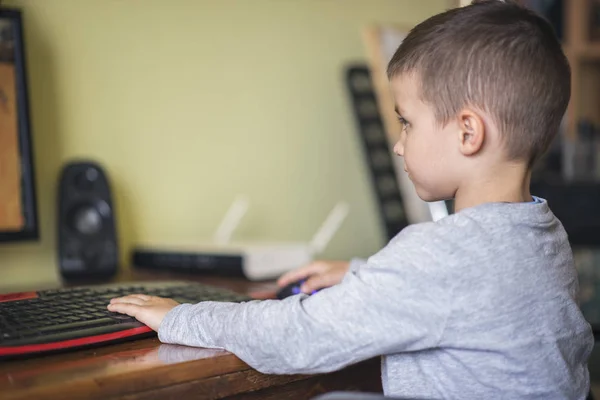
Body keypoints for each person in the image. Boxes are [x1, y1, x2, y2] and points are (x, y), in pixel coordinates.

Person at [107, 1, 594, 398]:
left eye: (407, 121)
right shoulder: (543, 233)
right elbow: (475, 293)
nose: (399, 142)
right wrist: (364, 273)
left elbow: (300, 337)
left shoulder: (439, 256)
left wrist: (179, 316)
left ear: (468, 131)